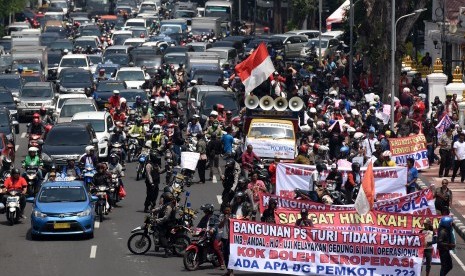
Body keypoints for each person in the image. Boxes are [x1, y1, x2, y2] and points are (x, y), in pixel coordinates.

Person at [153, 192, 177, 258]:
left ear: (166, 199)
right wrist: (154, 210)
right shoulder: (167, 204)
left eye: (164, 198)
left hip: (168, 224)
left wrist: (157, 220)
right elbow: (161, 208)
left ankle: (167, 250)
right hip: (167, 223)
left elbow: (166, 218)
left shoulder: (169, 206)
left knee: (161, 236)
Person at [218, 205, 232, 276]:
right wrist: (224, 219)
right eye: (225, 210)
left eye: (228, 210)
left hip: (231, 238)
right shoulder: (221, 216)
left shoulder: (233, 217)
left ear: (230, 211)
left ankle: (231, 271)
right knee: (225, 254)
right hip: (224, 237)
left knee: (231, 254)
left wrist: (230, 220)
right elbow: (220, 226)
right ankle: (228, 270)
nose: (227, 212)